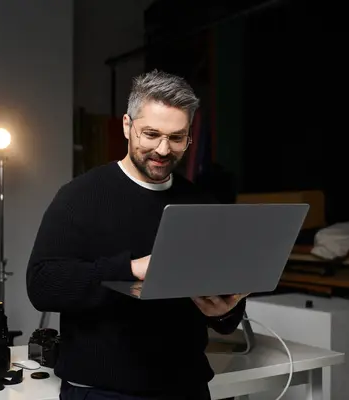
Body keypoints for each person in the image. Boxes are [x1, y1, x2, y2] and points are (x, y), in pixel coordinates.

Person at [26, 70, 247, 400]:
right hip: (104, 392)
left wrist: (225, 312)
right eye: (151, 134)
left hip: (187, 389)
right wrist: (132, 268)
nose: (163, 149)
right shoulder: (80, 196)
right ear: (127, 126)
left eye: (177, 138)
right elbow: (42, 284)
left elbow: (223, 316)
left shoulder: (202, 203)